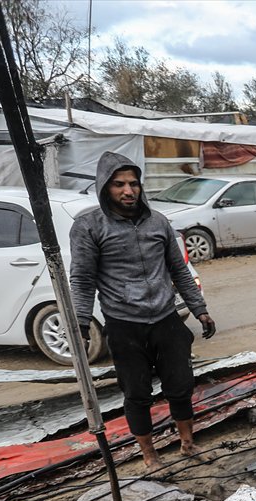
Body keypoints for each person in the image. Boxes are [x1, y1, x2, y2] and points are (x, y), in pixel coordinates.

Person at [70, 151, 216, 469]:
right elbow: (82, 279)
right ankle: (150, 456)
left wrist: (199, 309)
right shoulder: (89, 227)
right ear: (104, 187)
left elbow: (179, 270)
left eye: (133, 183)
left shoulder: (158, 222)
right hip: (124, 325)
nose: (128, 191)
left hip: (166, 319)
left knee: (180, 386)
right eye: (119, 184)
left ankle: (188, 444)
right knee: (137, 394)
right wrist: (80, 323)